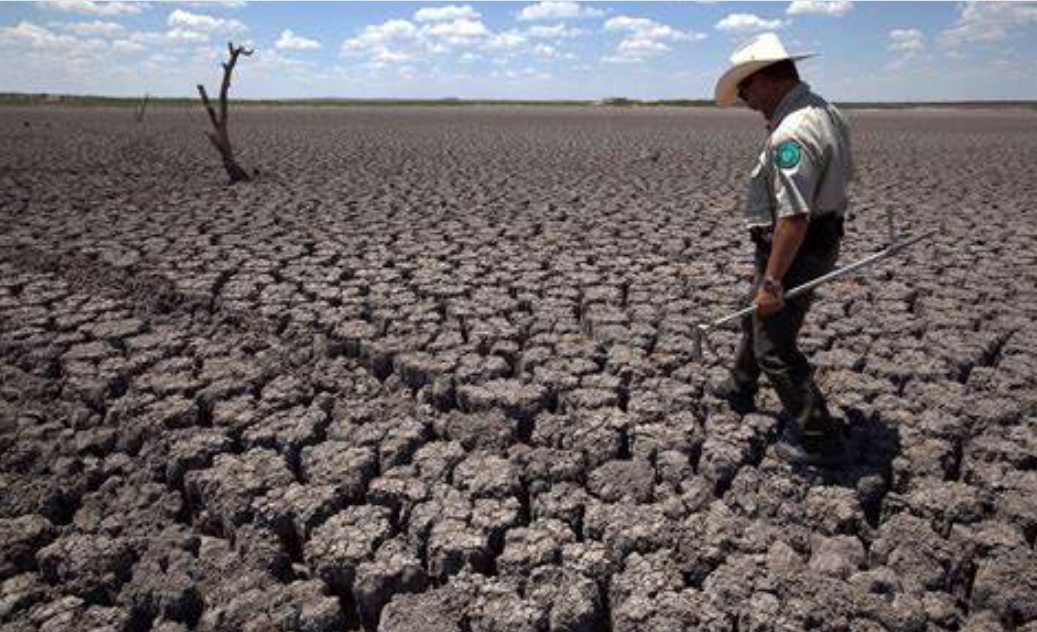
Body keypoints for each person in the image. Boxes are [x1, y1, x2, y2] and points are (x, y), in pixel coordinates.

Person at [712, 33, 854, 466]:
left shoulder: (792, 134)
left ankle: (818, 438)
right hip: (811, 240)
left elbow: (794, 216)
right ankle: (740, 384)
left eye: (747, 88)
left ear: (769, 78)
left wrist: (773, 280)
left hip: (796, 247)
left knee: (774, 344)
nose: (745, 99)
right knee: (752, 311)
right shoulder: (823, 110)